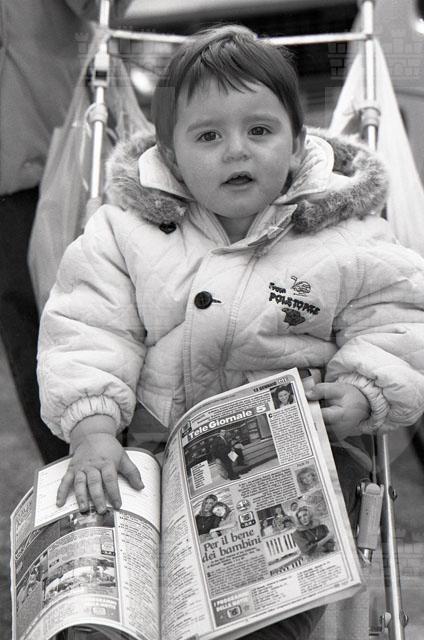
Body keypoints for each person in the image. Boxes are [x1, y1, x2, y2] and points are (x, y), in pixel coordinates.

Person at [37, 24, 424, 639]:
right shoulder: (124, 233)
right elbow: (88, 330)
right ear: (170, 156)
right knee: (108, 558)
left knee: (278, 596)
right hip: (161, 451)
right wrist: (93, 428)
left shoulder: (347, 234)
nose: (237, 150)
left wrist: (363, 390)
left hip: (305, 452)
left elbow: (397, 319)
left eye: (260, 131)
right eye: (209, 136)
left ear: (297, 146)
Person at [0, 0, 130, 463]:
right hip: (15, 181)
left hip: (69, 156)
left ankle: (126, 460)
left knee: (99, 313)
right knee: (27, 333)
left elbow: (102, 6)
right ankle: (70, 475)